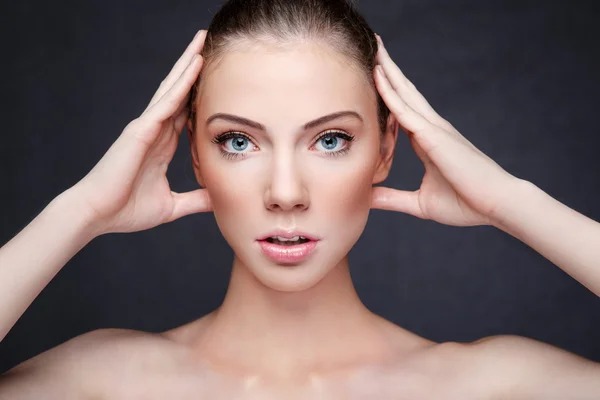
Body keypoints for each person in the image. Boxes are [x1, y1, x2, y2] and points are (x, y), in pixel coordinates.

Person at [1, 0, 599, 398]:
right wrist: (76, 213)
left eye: (331, 139)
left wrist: (511, 201)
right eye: (237, 141)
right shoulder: (100, 385)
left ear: (387, 149)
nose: (285, 193)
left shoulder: (495, 388)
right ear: (194, 155)